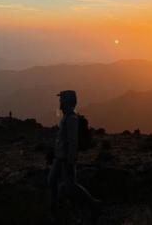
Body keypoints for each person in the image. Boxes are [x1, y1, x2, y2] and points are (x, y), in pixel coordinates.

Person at [48, 90, 101, 221]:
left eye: (61, 100)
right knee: (52, 180)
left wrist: (71, 160)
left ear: (67, 102)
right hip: (59, 157)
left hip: (65, 159)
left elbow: (73, 142)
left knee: (71, 186)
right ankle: (55, 206)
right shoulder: (66, 117)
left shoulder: (71, 119)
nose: (60, 103)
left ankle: (93, 203)